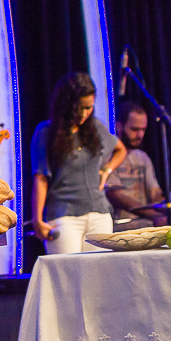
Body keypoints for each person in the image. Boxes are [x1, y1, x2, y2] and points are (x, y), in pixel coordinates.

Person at [31, 71, 127, 254]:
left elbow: (120, 149)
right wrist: (37, 220)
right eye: (79, 108)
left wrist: (107, 169)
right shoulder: (45, 132)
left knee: (98, 275)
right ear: (66, 105)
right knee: (68, 276)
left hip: (99, 213)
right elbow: (40, 178)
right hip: (64, 215)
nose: (84, 114)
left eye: (89, 108)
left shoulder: (95, 127)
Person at [105, 101, 171, 229]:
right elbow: (115, 195)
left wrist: (170, 213)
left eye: (143, 130)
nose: (140, 135)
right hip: (119, 228)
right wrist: (155, 216)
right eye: (134, 129)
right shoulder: (107, 156)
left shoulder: (142, 157)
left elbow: (155, 195)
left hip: (146, 227)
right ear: (119, 126)